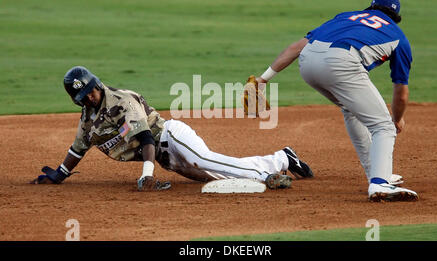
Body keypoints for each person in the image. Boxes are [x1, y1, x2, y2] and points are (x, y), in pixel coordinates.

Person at [30, 66, 313, 191]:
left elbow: (144, 138)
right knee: (221, 175)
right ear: (76, 99)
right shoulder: (87, 120)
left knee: (206, 159)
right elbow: (77, 149)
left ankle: (267, 176)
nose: (91, 96)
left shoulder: (121, 100)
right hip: (169, 160)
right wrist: (59, 174)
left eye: (92, 90)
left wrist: (147, 174)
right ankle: (282, 158)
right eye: (84, 96)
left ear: (97, 84)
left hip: (171, 137)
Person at [252, 0, 418, 202]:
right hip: (341, 64)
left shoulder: (345, 17)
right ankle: (379, 184)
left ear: (370, 8)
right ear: (395, 16)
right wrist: (397, 118)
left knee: (351, 109)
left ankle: (377, 173)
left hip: (308, 63)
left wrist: (263, 79)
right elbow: (401, 92)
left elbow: (296, 48)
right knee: (383, 126)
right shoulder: (398, 36)